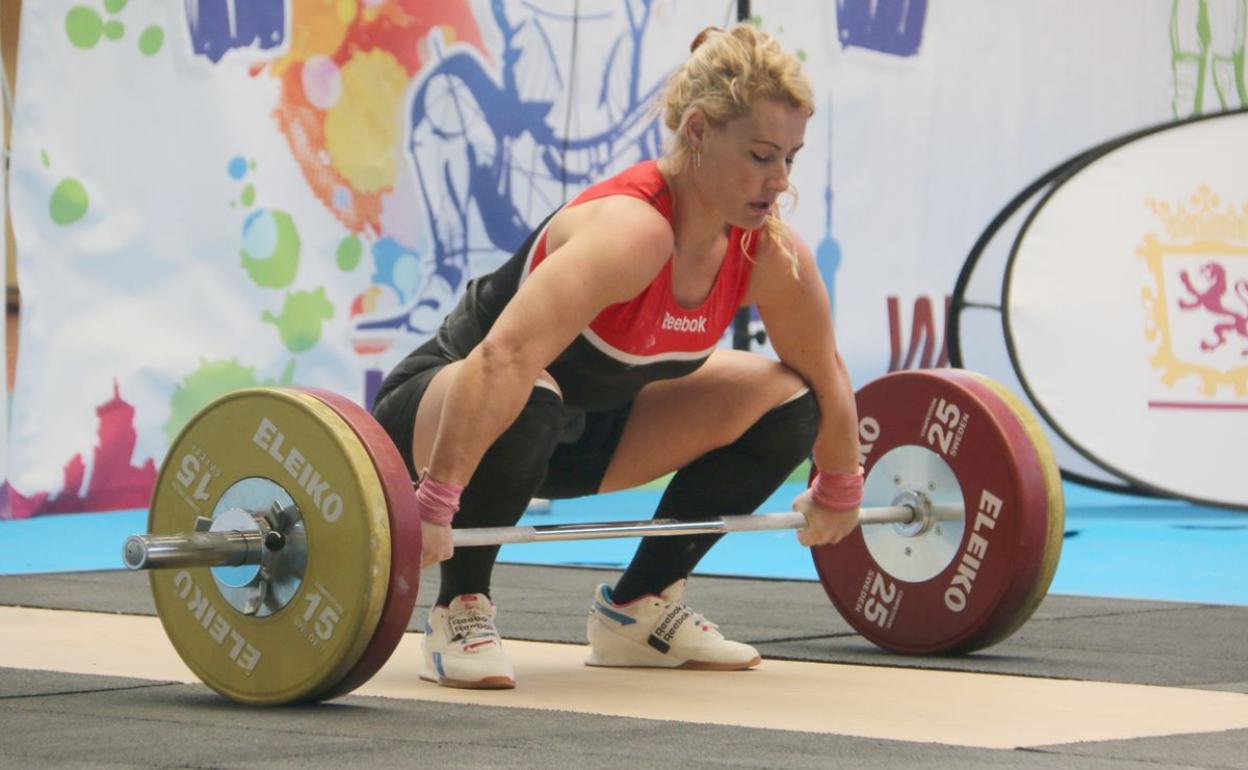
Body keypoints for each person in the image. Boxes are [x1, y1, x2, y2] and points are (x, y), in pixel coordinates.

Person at [372, 24, 863, 690]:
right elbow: (503, 360)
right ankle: (459, 606)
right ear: (697, 131)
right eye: (759, 155)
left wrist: (840, 483)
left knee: (789, 399)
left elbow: (826, 372)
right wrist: (433, 505)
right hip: (444, 414)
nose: (777, 181)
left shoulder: (766, 253)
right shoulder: (631, 231)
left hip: (583, 429)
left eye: (790, 160)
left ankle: (640, 608)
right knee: (533, 391)